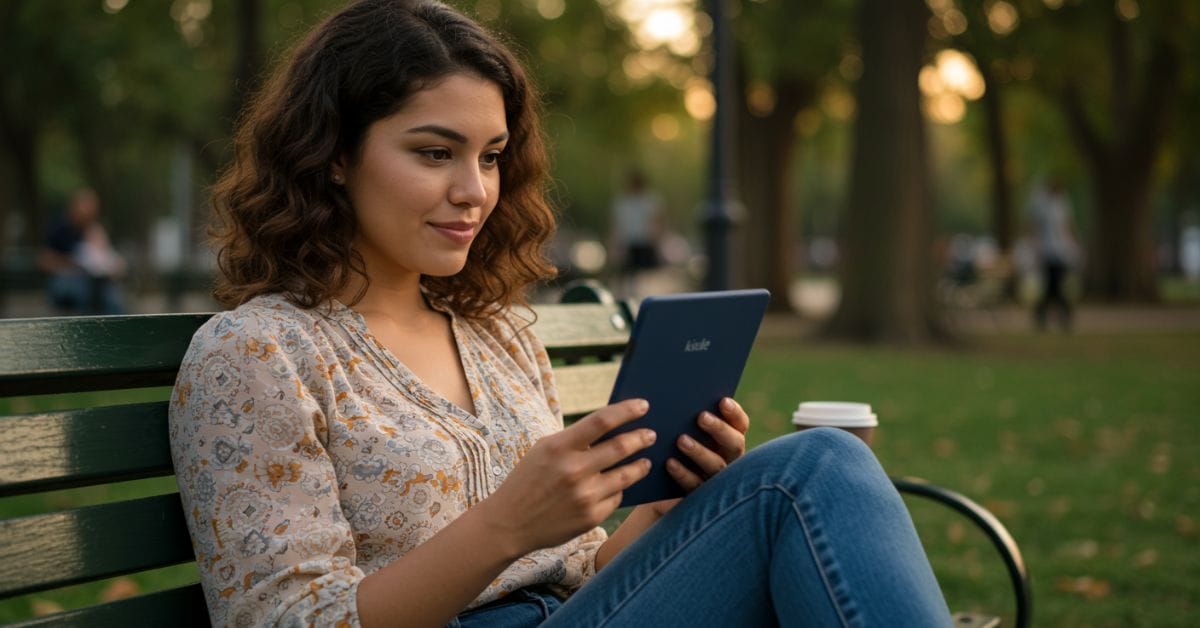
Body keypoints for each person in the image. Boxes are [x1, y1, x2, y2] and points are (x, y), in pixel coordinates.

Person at [168, 1, 952, 626]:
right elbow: (283, 620)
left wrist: (678, 505)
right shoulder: (259, 355)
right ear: (334, 155)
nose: (474, 190)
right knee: (812, 468)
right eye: (434, 153)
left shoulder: (496, 334)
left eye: (491, 155)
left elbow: (580, 574)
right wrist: (505, 524)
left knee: (796, 474)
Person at [37, 188, 127, 315]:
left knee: (113, 300)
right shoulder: (59, 228)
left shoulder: (94, 230)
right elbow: (44, 261)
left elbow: (105, 258)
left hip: (95, 282)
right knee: (85, 293)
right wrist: (71, 264)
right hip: (66, 280)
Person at [1027, 177, 1080, 331]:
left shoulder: (1062, 204)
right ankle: (1062, 316)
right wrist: (1036, 248)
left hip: (1061, 251)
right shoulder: (1042, 206)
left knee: (1054, 286)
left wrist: (1073, 245)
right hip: (1047, 251)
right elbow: (1036, 228)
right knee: (1054, 285)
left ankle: (1044, 316)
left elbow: (1067, 226)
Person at [609, 169, 663, 298]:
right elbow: (617, 225)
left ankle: (642, 296)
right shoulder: (622, 202)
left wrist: (655, 239)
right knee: (627, 274)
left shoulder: (651, 201)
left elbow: (656, 222)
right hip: (628, 242)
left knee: (643, 275)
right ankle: (630, 296)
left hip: (644, 241)